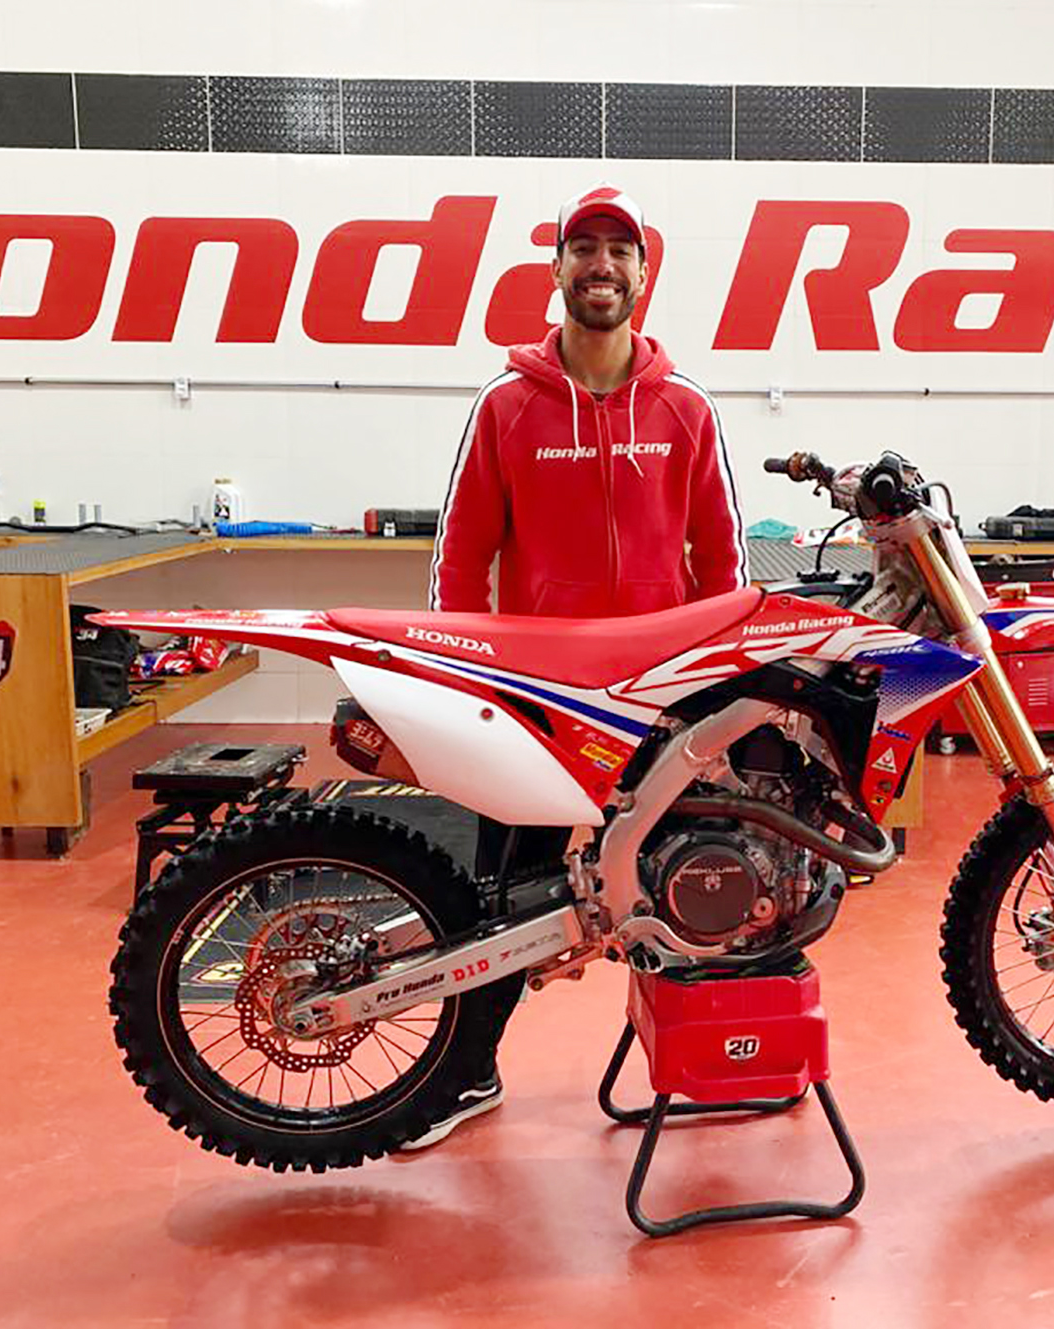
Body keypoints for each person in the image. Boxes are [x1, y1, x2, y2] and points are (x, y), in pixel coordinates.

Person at [402, 185, 749, 1148]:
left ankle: (709, 1061)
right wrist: (464, 678)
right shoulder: (508, 405)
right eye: (583, 247)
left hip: (661, 700)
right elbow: (461, 558)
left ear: (643, 272)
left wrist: (719, 694)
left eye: (619, 250)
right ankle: (467, 1072)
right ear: (556, 269)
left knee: (691, 879)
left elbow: (723, 566)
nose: (602, 265)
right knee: (500, 899)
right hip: (539, 697)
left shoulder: (685, 408)